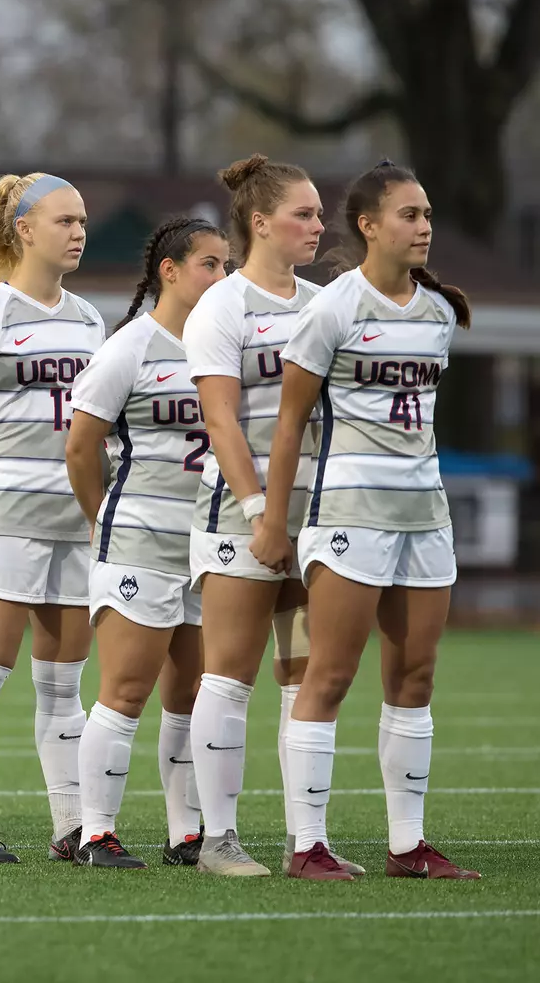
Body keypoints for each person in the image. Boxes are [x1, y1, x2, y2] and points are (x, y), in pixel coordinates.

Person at [257, 161, 478, 881]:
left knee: (416, 677)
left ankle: (408, 846)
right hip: (350, 515)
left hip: (425, 517)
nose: (424, 227)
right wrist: (273, 521)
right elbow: (289, 424)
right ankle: (307, 846)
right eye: (410, 215)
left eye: (427, 215)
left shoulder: (437, 313)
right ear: (369, 225)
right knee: (328, 674)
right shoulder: (333, 309)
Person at [182, 154, 362, 877]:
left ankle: (306, 842)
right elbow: (221, 421)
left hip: (317, 515)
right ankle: (218, 841)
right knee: (229, 676)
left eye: (319, 214)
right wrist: (263, 513)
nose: (318, 226)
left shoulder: (323, 303)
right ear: (260, 222)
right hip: (243, 516)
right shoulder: (222, 305)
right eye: (303, 214)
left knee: (304, 676)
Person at [0, 173, 103, 864]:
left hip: (72, 521)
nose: (79, 232)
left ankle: (74, 827)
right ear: (25, 230)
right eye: (65, 220)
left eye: (82, 221)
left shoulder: (89, 320)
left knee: (64, 682)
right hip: (4, 517)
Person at [65, 216, 230, 868]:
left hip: (208, 545)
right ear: (170, 270)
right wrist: (99, 518)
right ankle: (95, 833)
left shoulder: (227, 346)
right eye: (210, 264)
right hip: (138, 541)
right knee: (126, 690)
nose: (222, 276)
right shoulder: (130, 347)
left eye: (227, 265)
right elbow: (80, 446)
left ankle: (184, 832)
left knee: (191, 694)